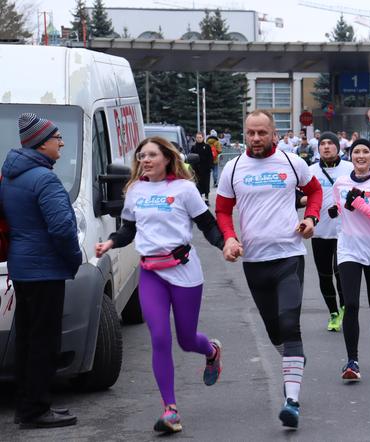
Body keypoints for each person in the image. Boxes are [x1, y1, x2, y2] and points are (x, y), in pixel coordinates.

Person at [95, 136, 224, 433]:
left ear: (167, 158)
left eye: (152, 155)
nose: (145, 160)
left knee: (186, 339)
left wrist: (225, 244)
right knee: (160, 338)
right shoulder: (136, 190)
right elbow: (129, 229)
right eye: (142, 156)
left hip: (184, 271)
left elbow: (207, 225)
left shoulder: (185, 189)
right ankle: (170, 410)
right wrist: (111, 243)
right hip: (151, 273)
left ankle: (211, 351)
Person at [215, 109, 322, 429]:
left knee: (290, 324)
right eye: (251, 133)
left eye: (263, 132)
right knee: (275, 331)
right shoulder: (233, 168)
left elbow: (314, 191)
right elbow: (222, 210)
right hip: (254, 262)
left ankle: (291, 401)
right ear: (244, 133)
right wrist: (230, 238)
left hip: (289, 255)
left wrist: (311, 218)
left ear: (274, 134)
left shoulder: (292, 163)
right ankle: (295, 360)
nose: (256, 138)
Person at [0, 113, 81, 429]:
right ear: (40, 142)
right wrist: (73, 259)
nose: (61, 142)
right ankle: (36, 410)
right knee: (44, 342)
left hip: (22, 266)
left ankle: (28, 406)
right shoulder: (44, 179)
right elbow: (61, 228)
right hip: (44, 268)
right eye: (56, 137)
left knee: (28, 340)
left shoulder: (11, 177)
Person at [329, 138, 370, 381]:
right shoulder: (341, 182)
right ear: (351, 156)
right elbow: (338, 206)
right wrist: (335, 210)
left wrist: (361, 205)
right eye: (357, 152)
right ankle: (352, 361)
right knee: (352, 304)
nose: (361, 156)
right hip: (349, 249)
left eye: (366, 152)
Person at [308, 132, 353, 331]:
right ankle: (333, 312)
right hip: (320, 232)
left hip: (346, 231)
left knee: (341, 273)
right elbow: (296, 197)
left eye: (330, 143)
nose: (326, 147)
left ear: (338, 147)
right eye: (322, 144)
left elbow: (365, 193)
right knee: (324, 275)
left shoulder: (350, 168)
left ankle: (345, 307)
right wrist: (306, 202)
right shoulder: (309, 171)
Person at [190, 132, 214, 204]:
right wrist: (192, 168)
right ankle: (199, 200)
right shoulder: (193, 147)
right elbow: (191, 157)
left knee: (206, 185)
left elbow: (210, 157)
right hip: (196, 170)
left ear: (203, 138)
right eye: (197, 137)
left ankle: (206, 199)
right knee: (198, 185)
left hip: (205, 170)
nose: (198, 139)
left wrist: (210, 167)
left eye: (200, 137)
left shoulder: (207, 146)